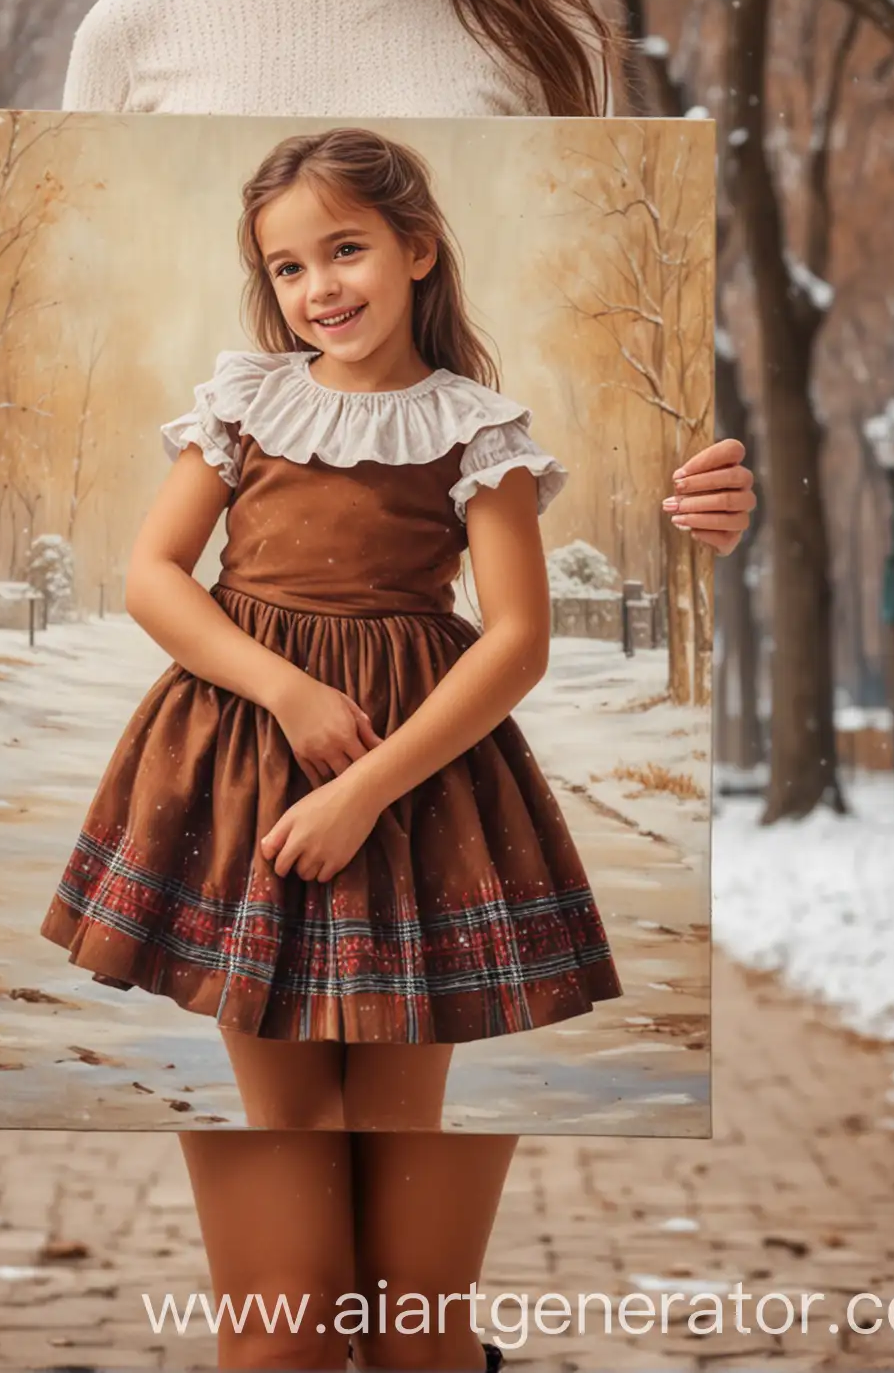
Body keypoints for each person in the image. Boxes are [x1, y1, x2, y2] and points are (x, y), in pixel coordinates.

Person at [0, 0, 756, 1372]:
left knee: (424, 1333)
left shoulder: (530, 33)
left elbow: (621, 481)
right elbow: (126, 532)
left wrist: (708, 496)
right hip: (240, 778)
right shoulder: (139, 29)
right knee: (279, 1338)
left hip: (434, 784)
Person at [41, 125, 624, 1105]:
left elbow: (519, 641)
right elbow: (154, 575)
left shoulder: (477, 430)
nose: (320, 286)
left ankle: (395, 1266)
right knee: (288, 1111)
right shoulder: (244, 400)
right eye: (288, 266)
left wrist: (363, 794)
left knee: (398, 1113)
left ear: (418, 250)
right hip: (244, 753)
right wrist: (289, 691)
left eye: (346, 249)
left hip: (413, 768)